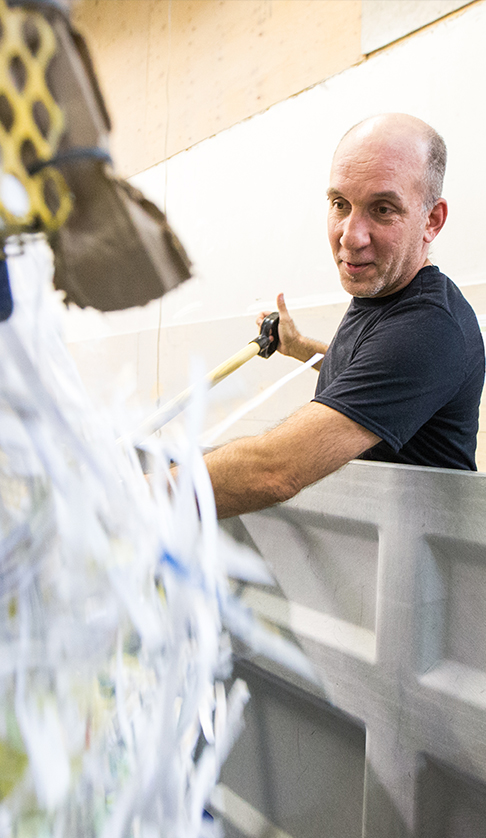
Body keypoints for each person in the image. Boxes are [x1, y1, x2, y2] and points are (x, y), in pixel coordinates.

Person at [202, 113, 485, 519]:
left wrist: (124, 500)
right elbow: (369, 377)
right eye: (340, 204)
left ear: (431, 220)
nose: (350, 236)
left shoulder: (429, 328)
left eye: (382, 209)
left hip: (413, 554)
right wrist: (301, 348)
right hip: (376, 542)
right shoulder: (384, 291)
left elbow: (273, 472)